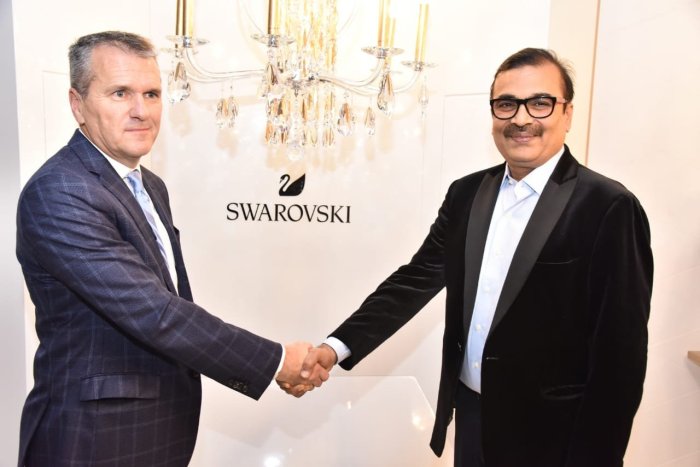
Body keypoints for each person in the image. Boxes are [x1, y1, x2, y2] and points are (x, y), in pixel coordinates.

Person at [299, 48, 653, 466]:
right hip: (472, 418)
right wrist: (334, 348)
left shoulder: (608, 206)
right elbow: (414, 280)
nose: (521, 118)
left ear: (567, 113)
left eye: (540, 103)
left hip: (555, 436)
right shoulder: (467, 194)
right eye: (506, 104)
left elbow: (620, 355)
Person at [16, 31, 326, 466]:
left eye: (151, 93)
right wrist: (277, 361)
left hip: (156, 430)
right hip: (92, 439)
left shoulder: (149, 186)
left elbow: (168, 303)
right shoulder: (61, 190)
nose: (141, 111)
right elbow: (154, 312)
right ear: (77, 104)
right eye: (120, 93)